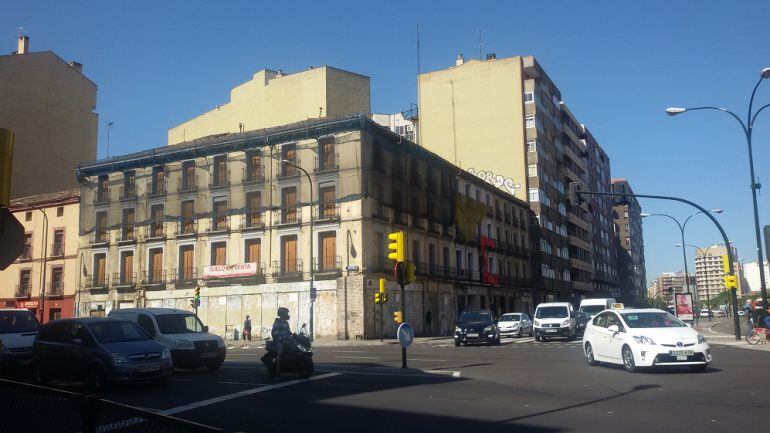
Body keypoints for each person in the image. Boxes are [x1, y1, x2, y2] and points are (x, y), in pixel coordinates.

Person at [271, 307, 293, 377]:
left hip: (287, 340)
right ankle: (277, 372)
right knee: (280, 353)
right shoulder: (277, 322)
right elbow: (275, 333)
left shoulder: (286, 323)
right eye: (286, 313)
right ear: (282, 314)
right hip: (280, 341)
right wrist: (282, 339)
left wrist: (293, 336)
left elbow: (289, 332)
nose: (287, 315)